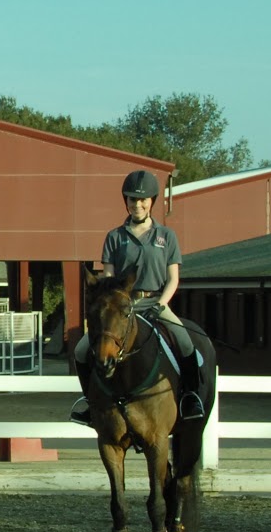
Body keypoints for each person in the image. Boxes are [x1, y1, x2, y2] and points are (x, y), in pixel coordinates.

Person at [68, 170, 206, 425]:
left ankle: (189, 397)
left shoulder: (167, 237)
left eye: (142, 200)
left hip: (156, 302)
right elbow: (108, 279)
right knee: (81, 350)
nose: (137, 204)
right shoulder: (115, 237)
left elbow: (173, 278)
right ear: (126, 201)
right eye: (132, 199)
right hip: (121, 307)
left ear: (152, 201)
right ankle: (89, 401)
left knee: (186, 345)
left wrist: (162, 303)